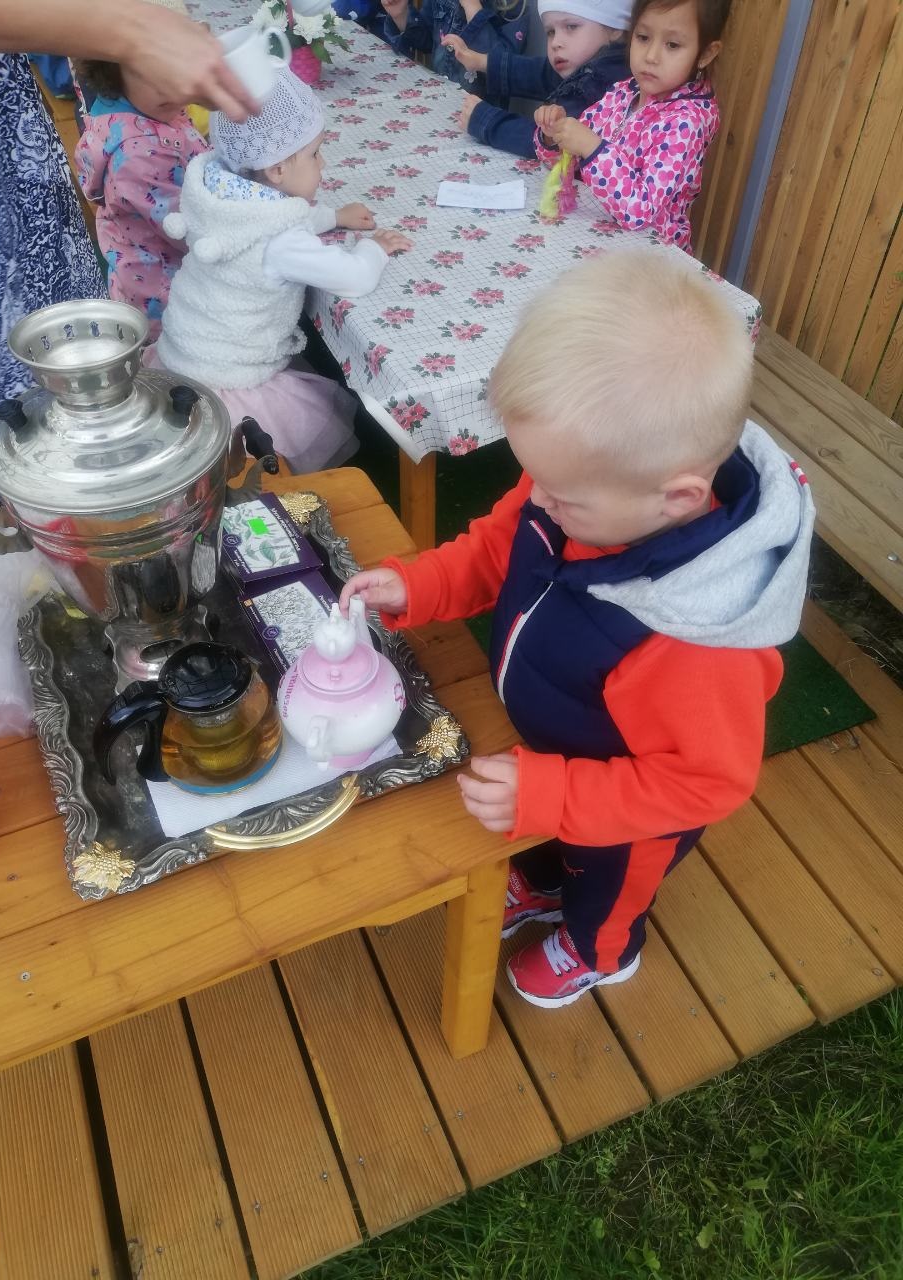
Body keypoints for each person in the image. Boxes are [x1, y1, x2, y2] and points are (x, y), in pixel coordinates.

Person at [340, 249, 815, 1008]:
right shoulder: (583, 485)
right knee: (553, 829)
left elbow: (703, 783)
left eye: (562, 498)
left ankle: (599, 950)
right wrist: (419, 584)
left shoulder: (696, 642)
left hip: (636, 812)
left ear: (677, 497)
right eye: (537, 478)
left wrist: (553, 793)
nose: (539, 502)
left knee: (608, 882)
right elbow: (498, 547)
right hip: (562, 746)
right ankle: (548, 874)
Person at [0, 0, 256, 553]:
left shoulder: (134, 122)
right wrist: (128, 29)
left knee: (75, 397)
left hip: (2, 128)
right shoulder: (136, 144)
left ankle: (94, 528)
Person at [151, 65, 412, 475]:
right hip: (232, 383)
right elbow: (355, 277)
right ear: (276, 170)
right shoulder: (280, 240)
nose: (323, 164)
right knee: (265, 461)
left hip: (182, 358)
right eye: (314, 154)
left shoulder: (222, 193)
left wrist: (333, 216)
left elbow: (276, 216)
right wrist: (374, 248)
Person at [534, 0, 729, 248]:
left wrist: (592, 147)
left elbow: (639, 211)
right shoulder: (624, 92)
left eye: (672, 45)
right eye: (643, 37)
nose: (650, 56)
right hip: (595, 235)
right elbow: (566, 160)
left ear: (705, 54)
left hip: (647, 255)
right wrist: (554, 134)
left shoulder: (686, 123)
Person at [74, 51, 210, 339]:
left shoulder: (145, 107)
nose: (176, 88)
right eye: (157, 78)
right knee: (173, 358)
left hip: (138, 273)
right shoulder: (141, 153)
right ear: (112, 72)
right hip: (166, 295)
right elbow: (190, 231)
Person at [444, 0, 630, 160]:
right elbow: (536, 73)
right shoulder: (590, 63)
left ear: (615, 29)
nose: (556, 42)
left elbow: (549, 141)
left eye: (571, 27)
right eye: (550, 32)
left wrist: (486, 121)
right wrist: (481, 62)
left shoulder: (598, 80)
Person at [380, 0, 528, 102]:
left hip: (480, 117)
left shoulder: (511, 6)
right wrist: (401, 15)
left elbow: (505, 69)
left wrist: (472, 7)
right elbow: (427, 42)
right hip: (437, 101)